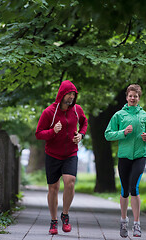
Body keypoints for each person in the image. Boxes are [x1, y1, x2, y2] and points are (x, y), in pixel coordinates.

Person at [35, 80, 88, 235]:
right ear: (62, 94)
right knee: (53, 188)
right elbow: (38, 134)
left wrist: (81, 135)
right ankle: (53, 221)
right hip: (52, 155)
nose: (71, 97)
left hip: (71, 153)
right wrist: (52, 131)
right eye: (69, 94)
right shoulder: (49, 112)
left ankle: (65, 215)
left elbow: (84, 123)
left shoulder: (77, 110)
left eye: (73, 94)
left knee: (70, 183)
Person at [104, 84, 146, 238]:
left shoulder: (145, 115)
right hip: (124, 156)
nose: (133, 98)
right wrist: (123, 132)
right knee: (125, 190)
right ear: (127, 97)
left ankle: (137, 224)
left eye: (136, 96)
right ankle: (124, 221)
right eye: (131, 96)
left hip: (140, 155)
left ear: (139, 98)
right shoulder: (119, 115)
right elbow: (108, 134)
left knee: (134, 187)